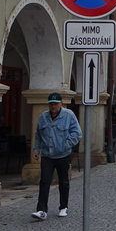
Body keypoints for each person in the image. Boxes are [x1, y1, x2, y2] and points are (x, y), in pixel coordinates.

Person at [32, 92, 81, 221]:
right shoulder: (43, 117)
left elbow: (77, 133)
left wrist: (66, 145)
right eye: (51, 104)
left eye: (55, 103)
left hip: (63, 155)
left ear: (60, 103)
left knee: (63, 181)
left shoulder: (69, 115)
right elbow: (38, 135)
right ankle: (42, 210)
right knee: (44, 181)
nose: (53, 106)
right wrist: (36, 150)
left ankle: (63, 207)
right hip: (47, 155)